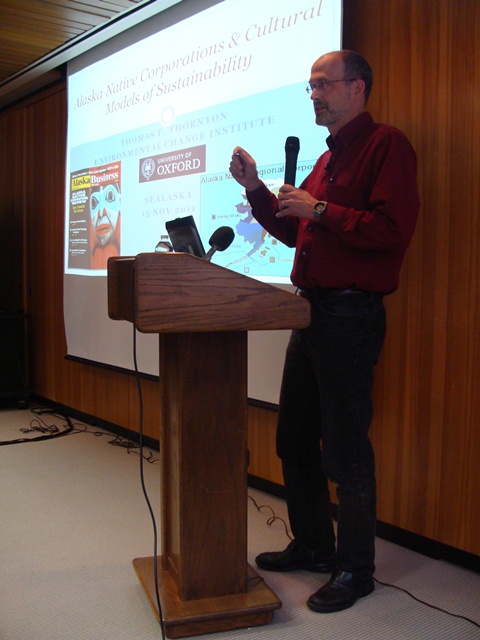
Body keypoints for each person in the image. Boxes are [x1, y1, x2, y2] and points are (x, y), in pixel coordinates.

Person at [229, 50, 419, 614]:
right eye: (309, 87)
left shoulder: (386, 145)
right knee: (293, 439)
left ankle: (356, 570)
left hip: (351, 315)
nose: (314, 94)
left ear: (357, 87)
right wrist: (257, 189)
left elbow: (391, 230)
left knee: (344, 449)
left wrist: (321, 211)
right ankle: (314, 545)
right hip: (310, 311)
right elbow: (297, 234)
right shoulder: (325, 160)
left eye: (323, 84)